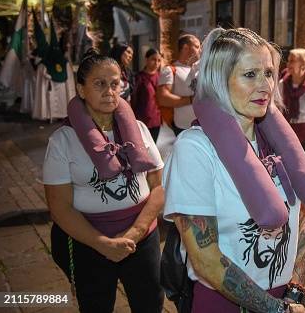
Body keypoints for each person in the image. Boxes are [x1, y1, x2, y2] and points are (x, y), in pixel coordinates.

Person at [163, 28, 305, 313]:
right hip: (223, 304)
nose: (266, 86)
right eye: (250, 74)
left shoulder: (276, 143)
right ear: (219, 81)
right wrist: (276, 310)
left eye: (269, 73)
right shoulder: (195, 149)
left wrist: (294, 293)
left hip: (284, 299)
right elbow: (206, 260)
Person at [42, 51, 165, 313]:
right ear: (81, 89)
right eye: (99, 83)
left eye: (115, 83)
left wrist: (133, 233)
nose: (109, 91)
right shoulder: (63, 141)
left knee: (150, 303)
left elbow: (158, 187)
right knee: (95, 306)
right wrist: (102, 243)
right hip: (89, 244)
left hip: (142, 238)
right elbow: (59, 207)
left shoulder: (140, 130)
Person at [157, 34, 200, 136]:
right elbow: (162, 98)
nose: (200, 50)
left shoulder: (197, 69)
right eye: (197, 46)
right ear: (185, 47)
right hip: (182, 129)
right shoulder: (170, 70)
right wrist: (191, 100)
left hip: (200, 127)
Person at [132, 48, 163, 141]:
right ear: (146, 59)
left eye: (159, 60)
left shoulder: (161, 77)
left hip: (157, 119)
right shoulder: (139, 77)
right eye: (153, 59)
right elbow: (134, 99)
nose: (156, 63)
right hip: (142, 119)